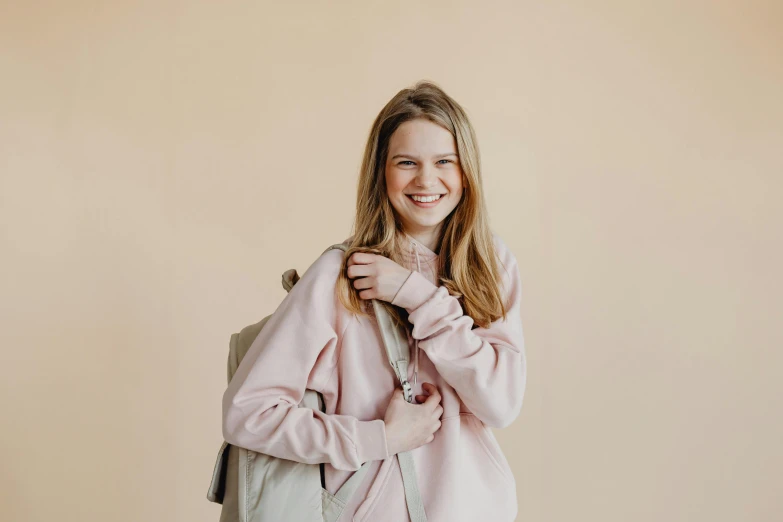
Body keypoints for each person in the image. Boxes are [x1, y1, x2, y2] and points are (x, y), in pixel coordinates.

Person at [222, 80, 526, 521]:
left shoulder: (491, 264)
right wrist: (377, 438)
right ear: (381, 172)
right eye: (407, 162)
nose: (426, 179)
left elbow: (500, 403)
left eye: (445, 161)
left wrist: (415, 294)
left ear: (467, 171)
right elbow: (246, 413)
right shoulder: (340, 276)